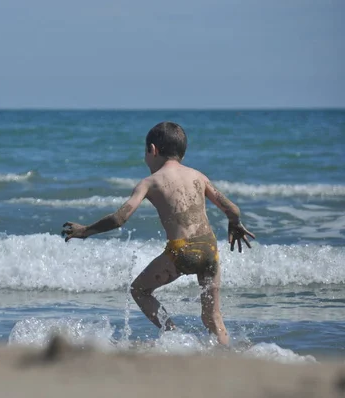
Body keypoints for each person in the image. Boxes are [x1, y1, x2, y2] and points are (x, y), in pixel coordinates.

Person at [61, 121, 254, 346]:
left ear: (152, 150)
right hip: (209, 248)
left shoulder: (150, 183)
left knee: (139, 290)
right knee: (212, 316)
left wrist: (86, 231)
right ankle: (226, 354)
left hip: (182, 250)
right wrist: (235, 224)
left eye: (146, 153)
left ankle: (175, 336)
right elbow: (232, 209)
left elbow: (119, 218)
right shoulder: (198, 176)